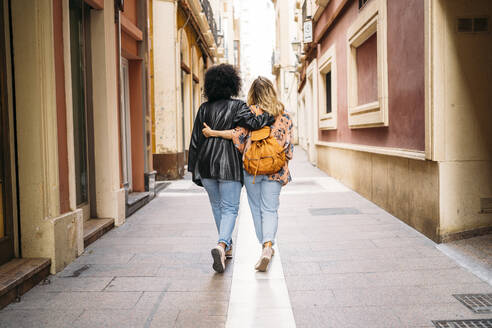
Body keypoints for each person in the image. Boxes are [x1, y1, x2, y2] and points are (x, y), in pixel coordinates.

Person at [188, 65, 274, 274]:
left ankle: (225, 247)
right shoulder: (238, 106)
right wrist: (269, 116)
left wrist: (195, 171)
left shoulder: (203, 109)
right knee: (230, 209)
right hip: (229, 166)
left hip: (207, 165)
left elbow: (195, 142)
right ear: (232, 84)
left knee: (218, 207)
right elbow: (253, 122)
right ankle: (222, 244)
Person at [202, 76, 293, 272]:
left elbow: (238, 138)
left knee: (256, 209)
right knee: (270, 209)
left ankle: (264, 245)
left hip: (252, 170)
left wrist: (214, 133)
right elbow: (288, 147)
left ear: (252, 93)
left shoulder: (248, 113)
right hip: (275, 172)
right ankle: (267, 246)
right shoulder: (283, 115)